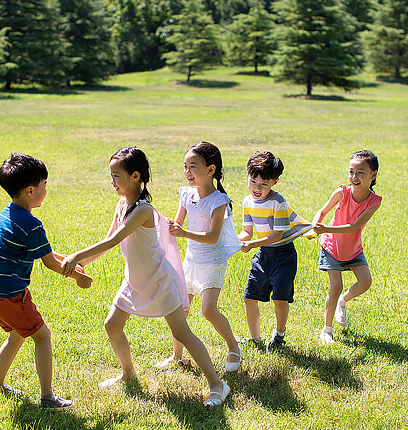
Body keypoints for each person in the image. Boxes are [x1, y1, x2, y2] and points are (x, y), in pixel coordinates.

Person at [61, 146, 230, 409]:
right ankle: (128, 373)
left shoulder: (143, 210)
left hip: (160, 282)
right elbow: (107, 239)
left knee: (182, 333)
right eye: (112, 175)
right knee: (112, 326)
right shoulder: (121, 205)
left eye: (117, 176)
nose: (113, 181)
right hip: (135, 280)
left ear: (136, 176)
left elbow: (116, 239)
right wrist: (81, 262)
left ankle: (218, 385)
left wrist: (75, 256)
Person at [0, 153, 92, 408]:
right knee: (42, 336)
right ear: (30, 190)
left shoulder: (8, 214)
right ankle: (48, 397)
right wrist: (76, 278)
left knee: (18, 334)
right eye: (44, 185)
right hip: (8, 293)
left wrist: (72, 262)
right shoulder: (31, 225)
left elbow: (48, 255)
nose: (46, 190)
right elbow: (50, 263)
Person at [158, 141, 242, 373]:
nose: (187, 172)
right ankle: (177, 356)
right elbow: (178, 222)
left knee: (208, 310)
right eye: (185, 166)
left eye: (192, 166)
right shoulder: (186, 195)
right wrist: (167, 224)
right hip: (191, 261)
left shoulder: (219, 201)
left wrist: (183, 233)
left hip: (213, 262)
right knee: (180, 310)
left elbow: (213, 236)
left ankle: (234, 347)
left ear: (210, 170)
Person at [238, 151, 314, 352]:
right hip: (263, 256)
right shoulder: (247, 202)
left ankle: (279, 335)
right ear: (247, 176)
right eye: (253, 181)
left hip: (283, 256)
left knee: (280, 299)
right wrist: (239, 240)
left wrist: (252, 244)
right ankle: (255, 337)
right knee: (250, 297)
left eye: (264, 184)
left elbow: (277, 235)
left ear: (274, 182)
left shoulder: (278, 202)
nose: (257, 188)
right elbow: (247, 231)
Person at [313, 150, 382, 344]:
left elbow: (354, 227)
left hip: (353, 249)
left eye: (360, 172)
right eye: (351, 171)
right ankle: (327, 330)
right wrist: (315, 226)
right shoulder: (341, 193)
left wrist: (325, 227)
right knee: (336, 286)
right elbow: (322, 211)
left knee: (365, 282)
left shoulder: (374, 202)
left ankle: (343, 302)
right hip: (332, 246)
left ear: (373, 175)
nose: (354, 176)